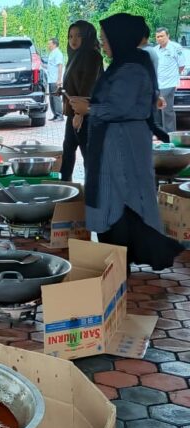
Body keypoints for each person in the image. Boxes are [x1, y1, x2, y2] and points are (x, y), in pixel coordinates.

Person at [70, 13, 183, 273]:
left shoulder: (131, 67)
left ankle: (121, 261)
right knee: (120, 198)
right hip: (118, 141)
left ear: (120, 38)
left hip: (122, 144)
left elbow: (121, 106)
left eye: (106, 39)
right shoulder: (125, 63)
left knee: (120, 199)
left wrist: (90, 109)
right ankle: (121, 260)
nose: (103, 43)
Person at [60, 21, 104, 181]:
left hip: (86, 114)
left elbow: (88, 86)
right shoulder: (75, 55)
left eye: (79, 35)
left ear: (87, 36)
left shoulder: (92, 56)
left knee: (88, 155)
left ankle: (92, 194)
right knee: (68, 151)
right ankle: (65, 190)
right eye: (71, 36)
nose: (74, 40)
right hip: (74, 113)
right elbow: (74, 82)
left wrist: (80, 114)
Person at [154, 27, 186, 132]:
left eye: (162, 36)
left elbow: (181, 66)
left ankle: (169, 134)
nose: (159, 38)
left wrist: (174, 76)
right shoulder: (155, 50)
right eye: (157, 36)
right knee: (157, 110)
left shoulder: (176, 47)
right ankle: (159, 134)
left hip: (169, 83)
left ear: (168, 36)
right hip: (158, 84)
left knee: (167, 110)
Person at [47, 37, 65, 121]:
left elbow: (60, 66)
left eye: (49, 44)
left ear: (54, 44)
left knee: (56, 98)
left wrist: (59, 79)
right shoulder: (52, 53)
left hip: (55, 80)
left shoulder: (58, 53)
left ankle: (59, 115)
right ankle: (55, 114)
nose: (48, 45)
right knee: (52, 98)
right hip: (51, 80)